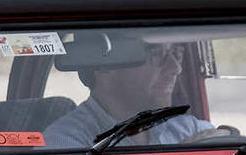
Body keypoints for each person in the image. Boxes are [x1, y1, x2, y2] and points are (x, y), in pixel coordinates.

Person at [44, 41, 222, 149]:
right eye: (157, 54)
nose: (176, 68)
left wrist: (227, 134)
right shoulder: (64, 142)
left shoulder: (187, 128)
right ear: (104, 66)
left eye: (177, 54)